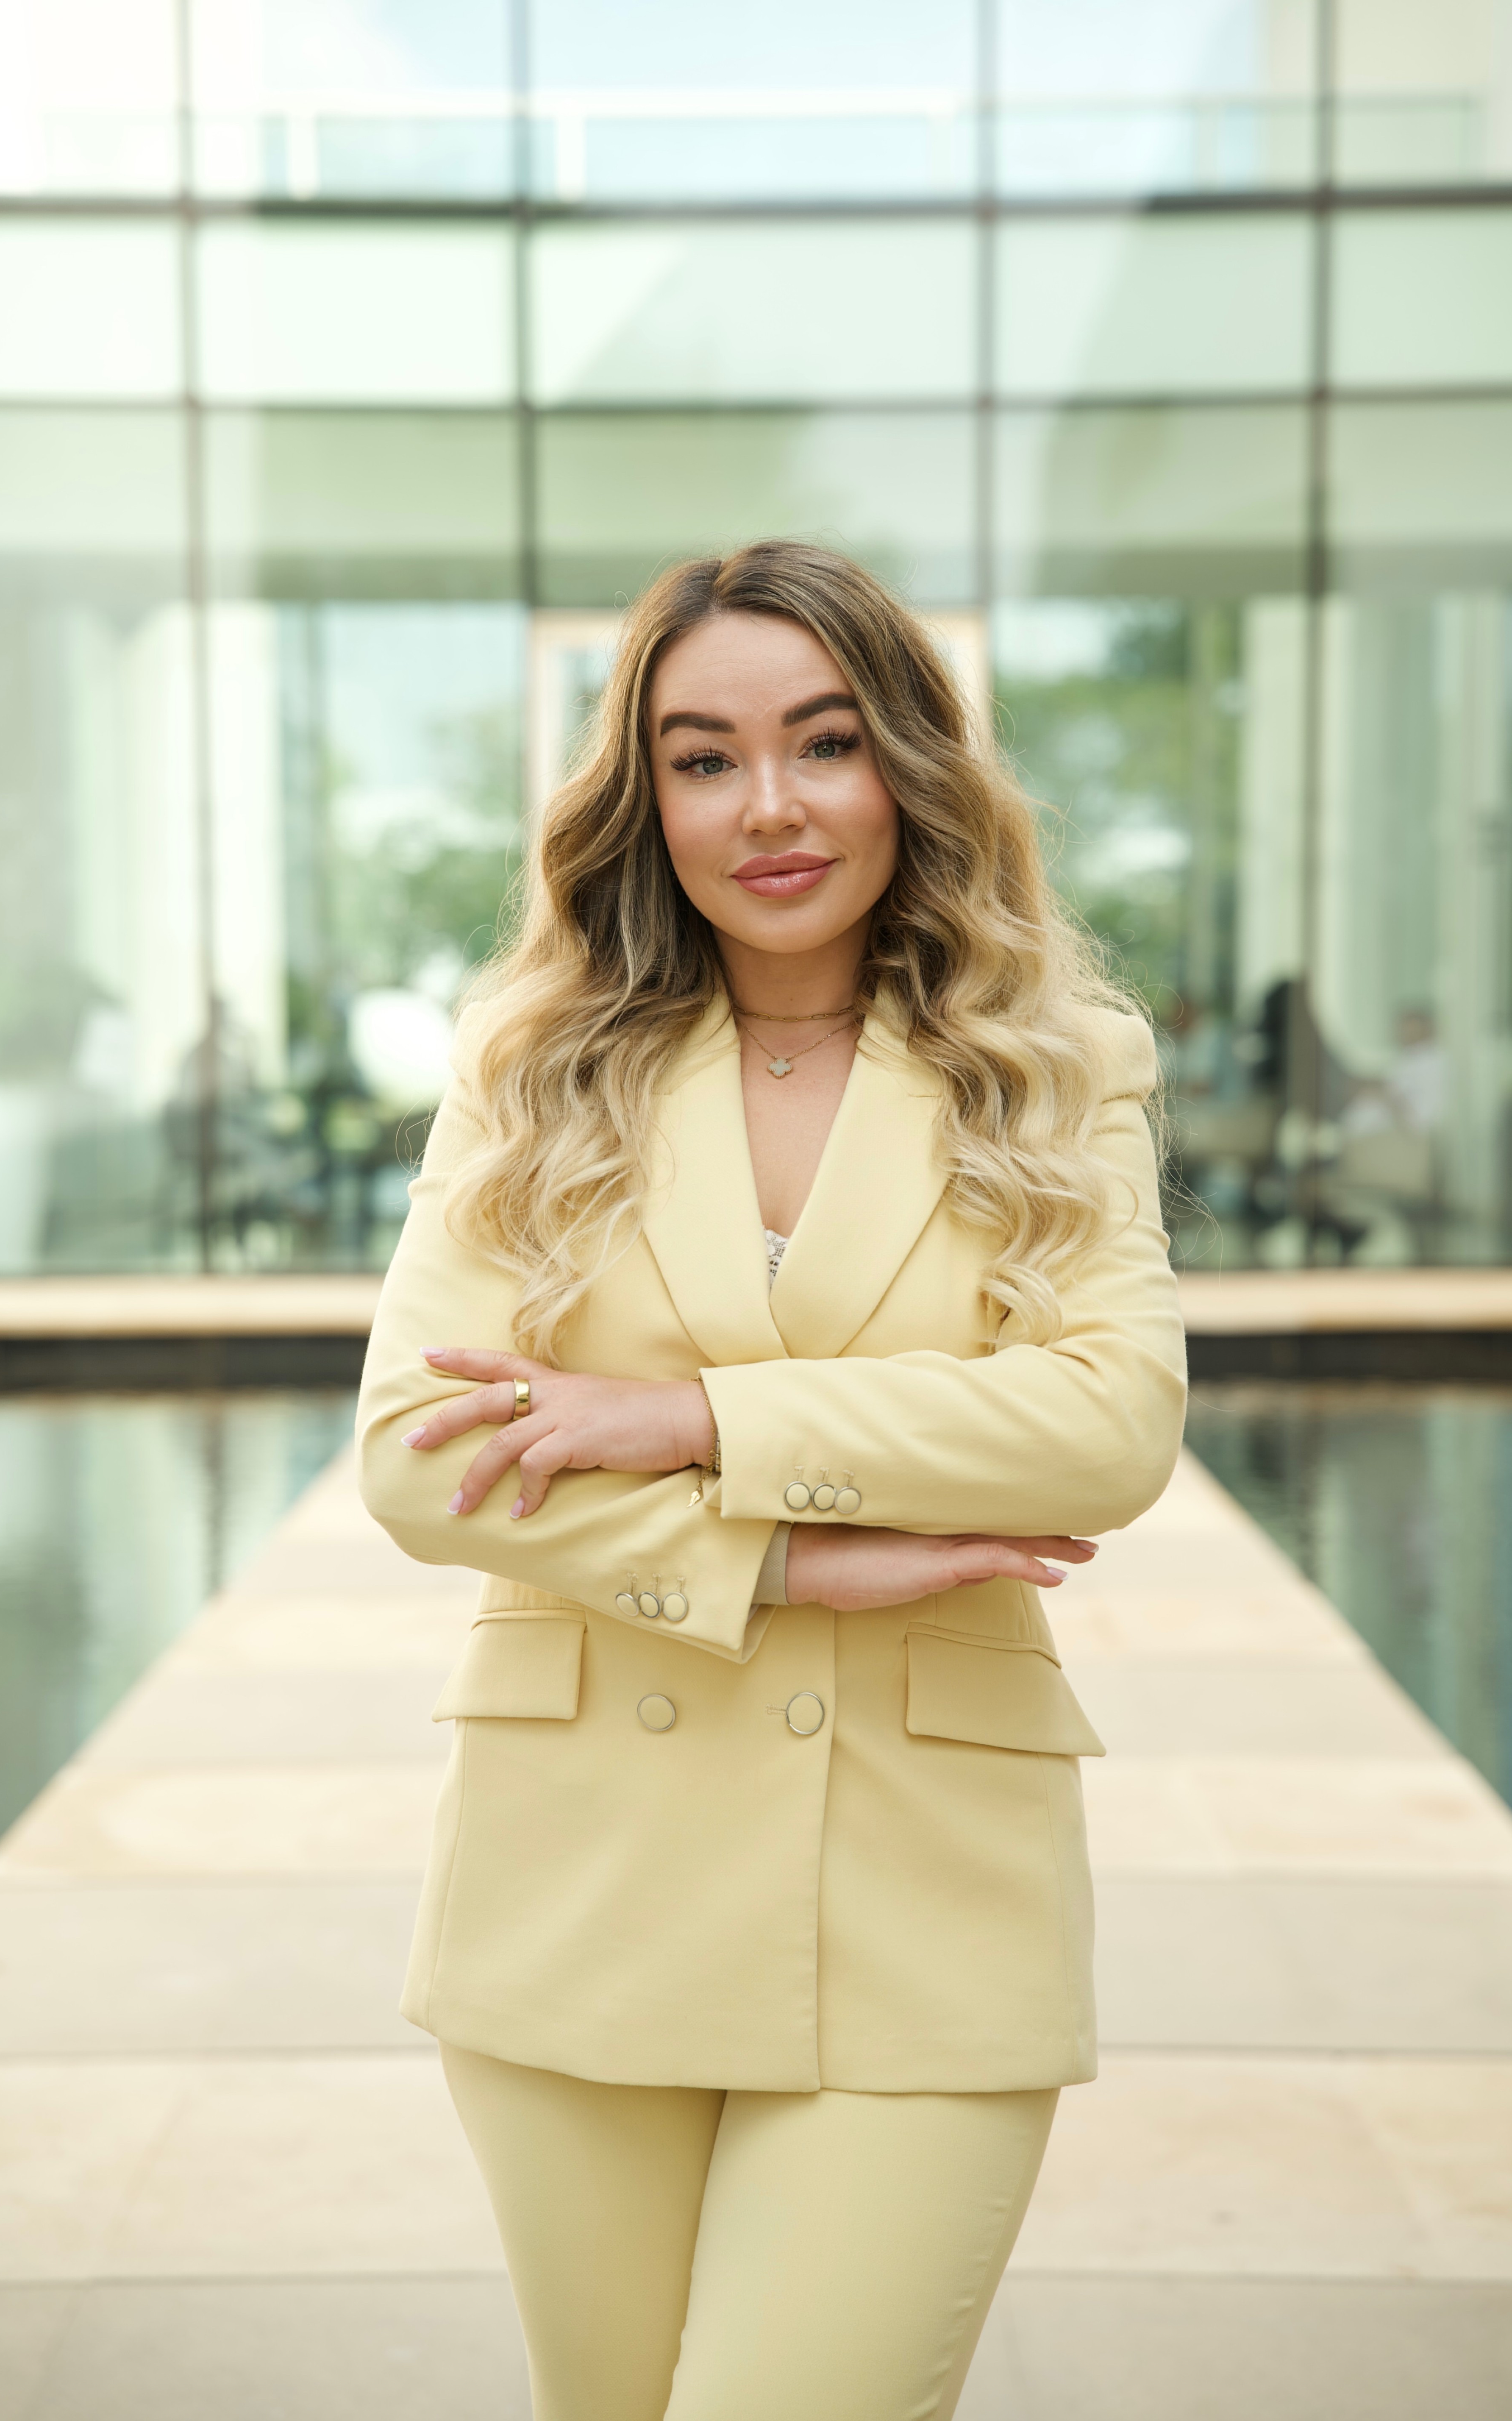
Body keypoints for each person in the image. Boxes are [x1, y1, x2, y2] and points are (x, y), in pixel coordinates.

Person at [357, 541, 1187, 2421]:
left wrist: (696, 1423)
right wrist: (791, 1572)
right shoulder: (534, 1063)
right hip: (582, 1876)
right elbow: (419, 1459)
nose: (773, 807)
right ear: (644, 799)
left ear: (908, 758)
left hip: (927, 1889)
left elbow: (1107, 1424)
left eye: (823, 742)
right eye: (703, 757)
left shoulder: (1056, 1065)